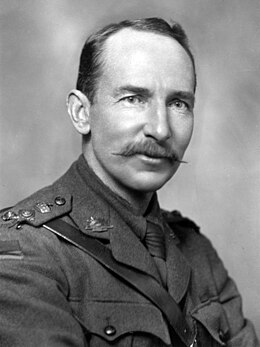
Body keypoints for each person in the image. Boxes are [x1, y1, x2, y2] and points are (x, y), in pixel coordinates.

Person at [0, 17, 258, 347]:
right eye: (134, 98)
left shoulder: (199, 253)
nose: (161, 129)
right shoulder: (23, 253)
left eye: (178, 103)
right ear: (82, 113)